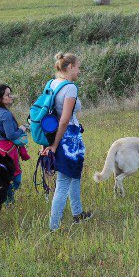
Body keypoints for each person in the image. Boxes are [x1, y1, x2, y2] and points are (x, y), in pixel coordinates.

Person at [46, 52, 92, 230]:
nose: (79, 71)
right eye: (78, 67)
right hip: (67, 139)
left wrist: (49, 143)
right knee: (64, 182)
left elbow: (49, 114)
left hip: (56, 135)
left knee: (74, 176)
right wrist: (56, 144)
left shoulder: (51, 83)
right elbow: (64, 119)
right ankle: (54, 227)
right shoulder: (70, 87)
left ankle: (77, 213)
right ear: (70, 66)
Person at [0, 84, 30, 215]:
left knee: (0, 180)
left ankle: (0, 205)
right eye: (7, 95)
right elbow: (11, 135)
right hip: (7, 151)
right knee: (15, 179)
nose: (10, 97)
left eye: (10, 94)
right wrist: (22, 129)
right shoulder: (5, 114)